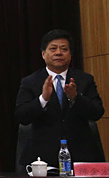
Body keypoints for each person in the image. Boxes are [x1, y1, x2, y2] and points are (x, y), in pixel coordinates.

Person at [15, 29, 105, 167]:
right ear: (43, 54)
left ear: (70, 55)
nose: (58, 53)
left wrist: (75, 98)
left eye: (64, 49)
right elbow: (22, 116)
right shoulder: (30, 82)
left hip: (80, 156)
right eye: (53, 49)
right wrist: (43, 99)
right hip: (42, 158)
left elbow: (97, 112)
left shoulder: (84, 80)